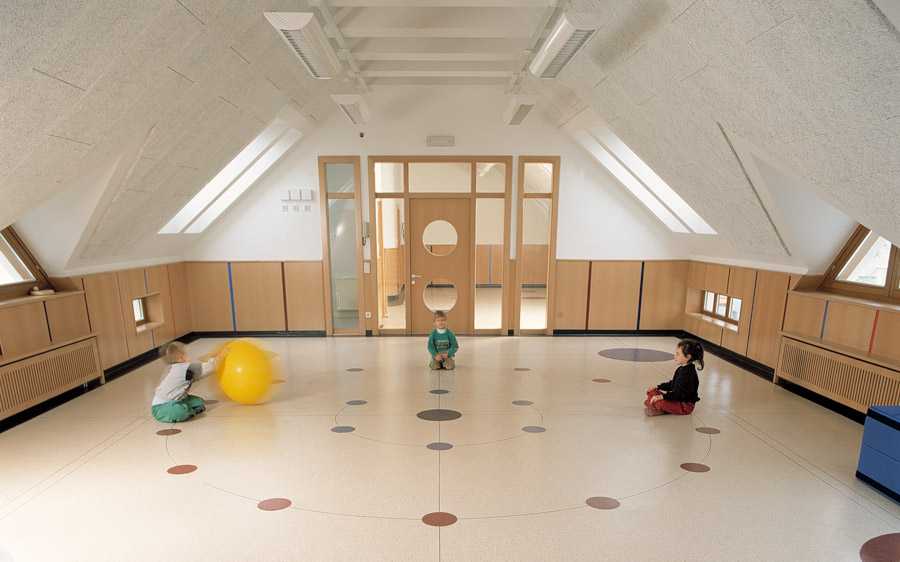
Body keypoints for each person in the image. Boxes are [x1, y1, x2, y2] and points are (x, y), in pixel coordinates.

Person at [151, 342, 218, 423]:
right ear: (181, 358)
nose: (189, 355)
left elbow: (199, 373)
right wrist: (217, 357)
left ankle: (186, 409)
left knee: (199, 402)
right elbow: (210, 367)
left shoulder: (177, 367)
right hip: (161, 407)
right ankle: (185, 411)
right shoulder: (185, 368)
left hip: (178, 399)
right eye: (186, 354)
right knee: (181, 411)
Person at [644, 339, 703, 416]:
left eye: (678, 354)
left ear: (688, 357)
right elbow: (673, 384)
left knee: (659, 402)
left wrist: (662, 397)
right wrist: (658, 387)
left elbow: (678, 394)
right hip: (677, 399)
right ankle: (657, 406)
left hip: (685, 405)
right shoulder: (681, 368)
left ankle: (659, 408)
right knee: (651, 392)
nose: (675, 356)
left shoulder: (689, 374)